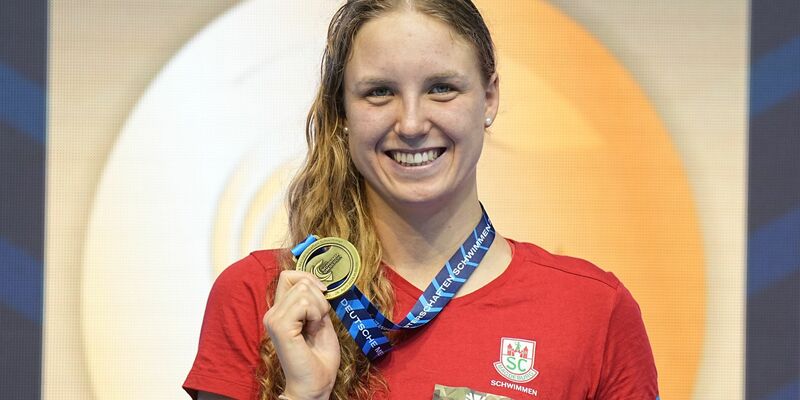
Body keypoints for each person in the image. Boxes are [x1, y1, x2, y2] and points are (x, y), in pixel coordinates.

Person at [184, 1, 659, 399]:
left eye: (441, 88)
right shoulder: (262, 298)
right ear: (342, 111)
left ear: (489, 98)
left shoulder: (592, 310)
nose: (411, 123)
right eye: (379, 92)